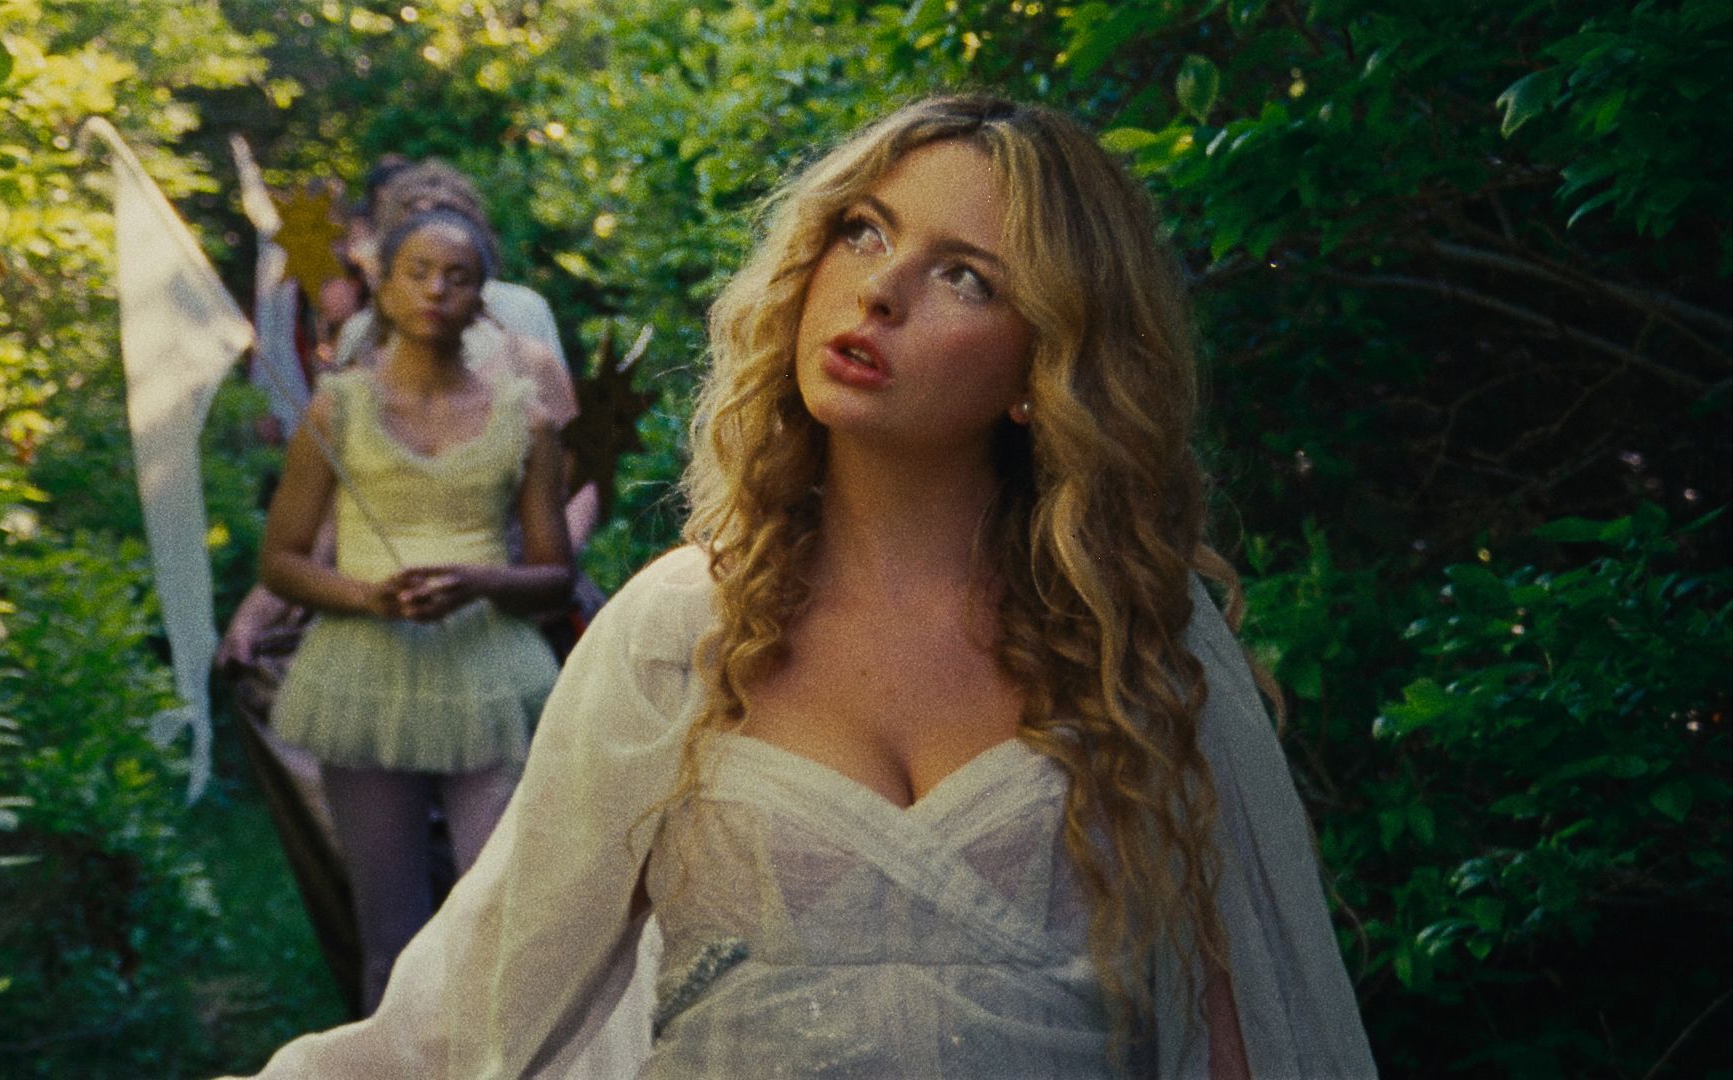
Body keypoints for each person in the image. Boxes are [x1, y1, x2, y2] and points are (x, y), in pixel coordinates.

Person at [229, 95, 1374, 1078]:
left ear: (1048, 366)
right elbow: (470, 1011)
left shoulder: (1136, 643)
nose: (881, 292)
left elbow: (1240, 1038)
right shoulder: (680, 629)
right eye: (865, 233)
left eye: (965, 277)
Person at [256, 206, 575, 1015]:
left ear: (480, 300)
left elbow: (554, 575)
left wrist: (480, 581)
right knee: (392, 936)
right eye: (419, 273)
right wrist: (368, 595)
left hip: (492, 675)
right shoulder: (338, 409)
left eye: (458, 278)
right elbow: (281, 561)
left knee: (502, 920)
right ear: (385, 292)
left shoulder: (525, 416)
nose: (437, 290)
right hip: (364, 672)